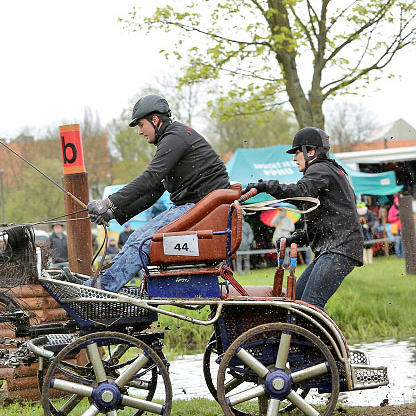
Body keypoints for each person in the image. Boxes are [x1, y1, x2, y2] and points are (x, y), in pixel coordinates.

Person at [85, 94, 231, 290]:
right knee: (135, 239)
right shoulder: (172, 140)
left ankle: (99, 291)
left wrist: (109, 201)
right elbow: (153, 191)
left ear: (155, 119)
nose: (139, 132)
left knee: (141, 243)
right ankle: (98, 283)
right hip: (196, 207)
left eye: (140, 125)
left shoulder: (175, 138)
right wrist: (115, 212)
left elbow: (150, 178)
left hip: (200, 208)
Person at [246, 127, 363, 310]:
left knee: (309, 306)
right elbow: (326, 221)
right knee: (296, 302)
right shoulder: (329, 170)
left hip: (339, 248)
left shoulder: (319, 169)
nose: (294, 158)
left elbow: (299, 192)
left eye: (297, 152)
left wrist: (266, 186)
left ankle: (317, 339)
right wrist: (295, 239)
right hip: (335, 246)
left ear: (311, 151)